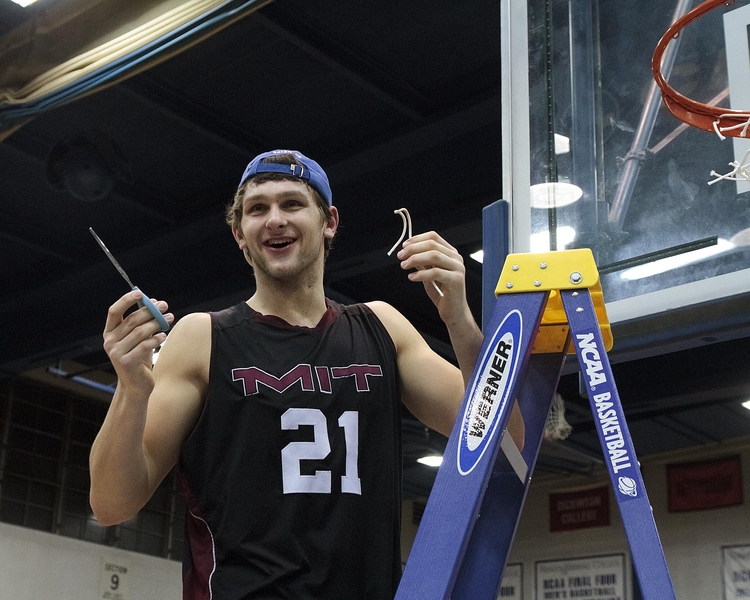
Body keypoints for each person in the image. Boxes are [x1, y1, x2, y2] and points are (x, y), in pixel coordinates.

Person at [89, 149, 524, 600]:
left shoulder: (381, 326)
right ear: (240, 234)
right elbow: (110, 504)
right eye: (258, 209)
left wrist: (460, 321)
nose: (274, 219)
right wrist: (131, 389)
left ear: (329, 221)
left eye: (292, 203)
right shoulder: (202, 337)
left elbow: (506, 436)